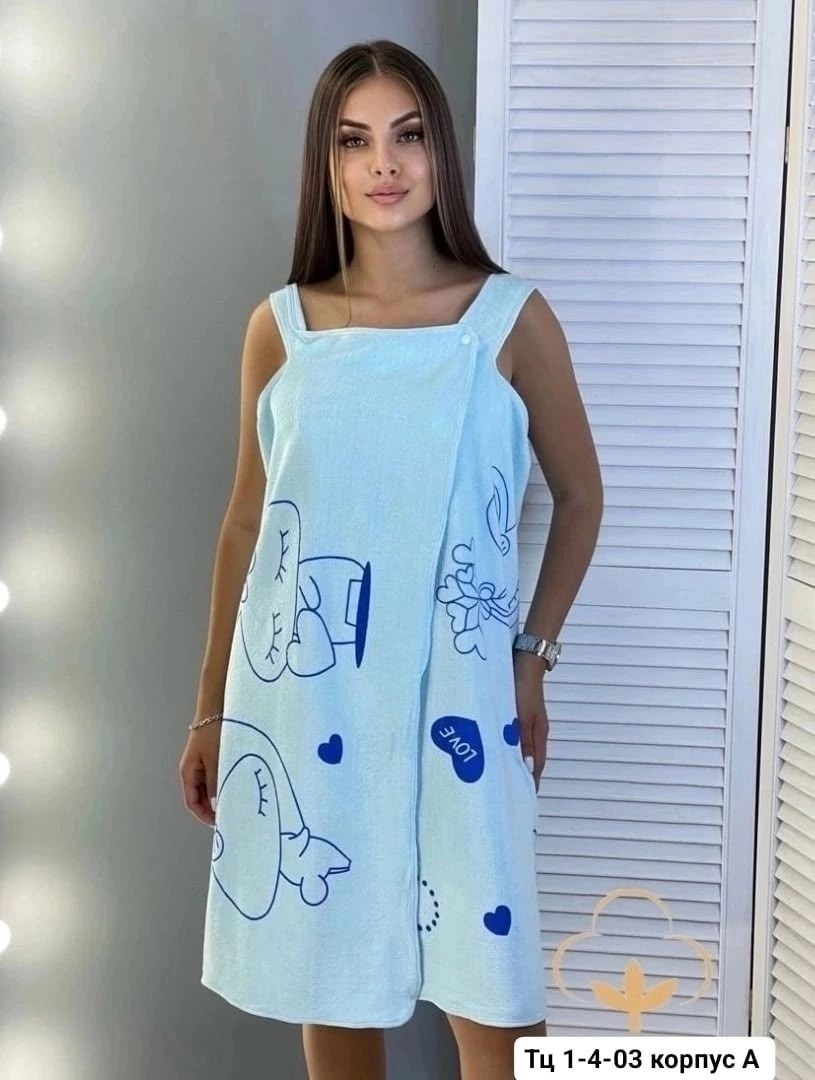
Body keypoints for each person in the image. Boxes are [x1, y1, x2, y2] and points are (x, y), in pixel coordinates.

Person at [179, 38, 603, 1080]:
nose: (384, 163)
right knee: (331, 979)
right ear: (324, 165)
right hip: (309, 704)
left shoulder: (507, 321)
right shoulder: (282, 332)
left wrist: (530, 658)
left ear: (439, 152)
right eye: (354, 140)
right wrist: (210, 710)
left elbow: (580, 496)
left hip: (464, 700)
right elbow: (246, 525)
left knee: (491, 993)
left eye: (407, 135)